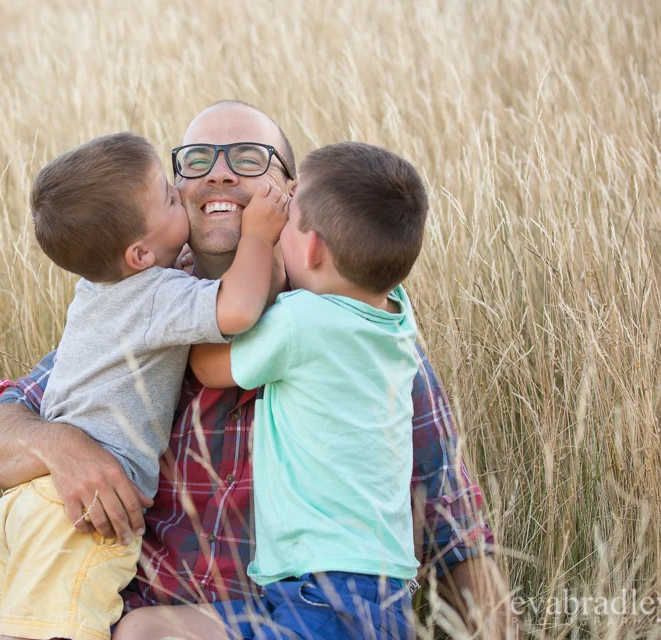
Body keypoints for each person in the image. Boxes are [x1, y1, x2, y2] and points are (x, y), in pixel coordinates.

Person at [0, 101, 516, 638]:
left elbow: (455, 527)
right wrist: (60, 446)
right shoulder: (137, 306)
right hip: (150, 620)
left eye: (249, 159)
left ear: (294, 196)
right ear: (176, 191)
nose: (220, 175)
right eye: (198, 160)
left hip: (290, 617)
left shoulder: (356, 330)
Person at [0, 131, 289, 640]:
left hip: (30, 510)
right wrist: (260, 237)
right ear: (139, 253)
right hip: (79, 518)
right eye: (170, 190)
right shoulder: (160, 296)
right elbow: (239, 308)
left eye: (249, 160)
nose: (189, 190)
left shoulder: (100, 293)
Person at [115, 141, 429, 640]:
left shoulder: (302, 322)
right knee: (145, 630)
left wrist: (255, 250)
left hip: (321, 596)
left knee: (144, 633)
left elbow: (206, 361)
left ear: (313, 248)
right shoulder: (396, 319)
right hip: (380, 594)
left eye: (285, 215)